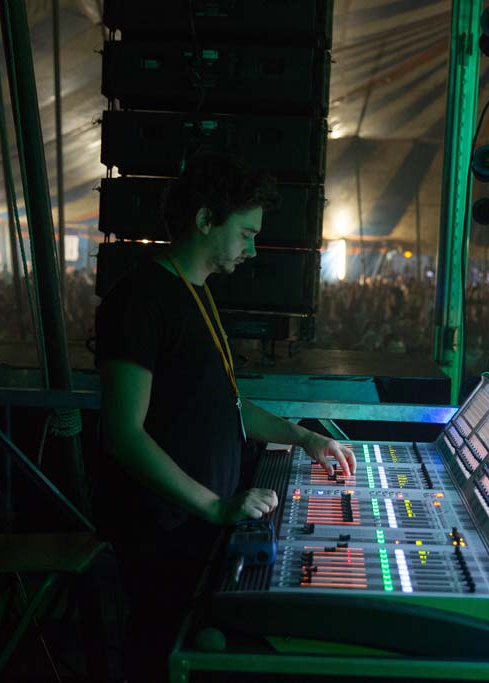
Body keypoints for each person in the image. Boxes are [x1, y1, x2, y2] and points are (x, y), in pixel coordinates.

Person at [94, 153, 356, 682]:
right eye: (246, 233)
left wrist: (302, 437)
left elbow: (227, 405)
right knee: (158, 657)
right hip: (164, 532)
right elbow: (122, 433)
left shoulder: (198, 293)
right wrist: (213, 506)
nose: (252, 249)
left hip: (199, 523)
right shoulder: (141, 299)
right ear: (205, 219)